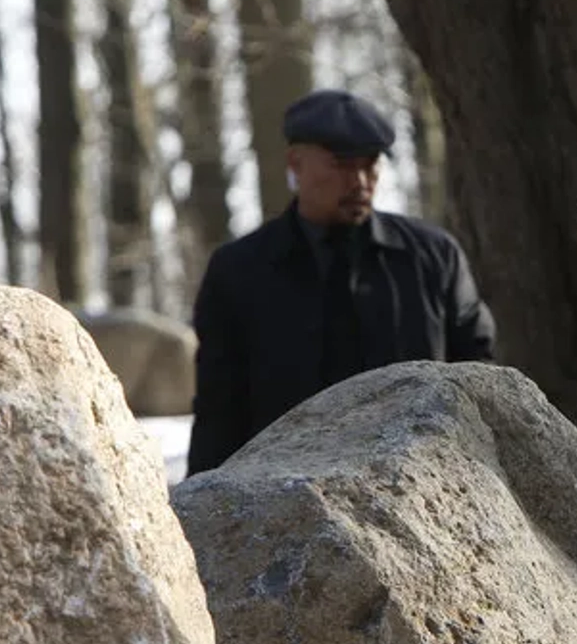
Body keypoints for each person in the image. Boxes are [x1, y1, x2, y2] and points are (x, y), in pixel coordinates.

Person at [186, 89, 495, 474]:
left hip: (418, 484)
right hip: (283, 491)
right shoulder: (238, 270)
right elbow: (219, 410)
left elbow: (478, 380)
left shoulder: (433, 258)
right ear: (295, 164)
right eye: (344, 165)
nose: (361, 181)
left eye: (371, 165)